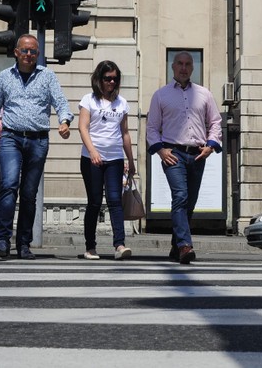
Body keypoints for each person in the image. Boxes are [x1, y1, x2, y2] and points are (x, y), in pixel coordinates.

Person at [0, 35, 73, 260]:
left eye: (33, 51)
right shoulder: (4, 77)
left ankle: (24, 243)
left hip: (38, 140)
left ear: (38, 54)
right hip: (11, 138)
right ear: (16, 52)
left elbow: (60, 102)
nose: (29, 55)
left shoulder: (47, 76)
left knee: (29, 194)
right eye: (25, 51)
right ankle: (2, 240)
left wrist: (64, 122)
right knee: (9, 186)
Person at [146, 52, 222, 264]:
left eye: (188, 64)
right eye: (179, 63)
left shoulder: (204, 94)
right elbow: (152, 128)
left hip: (198, 154)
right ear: (172, 66)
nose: (184, 68)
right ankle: (185, 246)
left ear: (192, 68)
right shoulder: (160, 95)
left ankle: (176, 246)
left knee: (190, 202)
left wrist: (211, 146)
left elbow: (215, 122)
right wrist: (161, 151)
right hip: (173, 154)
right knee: (180, 196)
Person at [78, 61, 136, 260]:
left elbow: (125, 133)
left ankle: (119, 245)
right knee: (94, 202)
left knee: (115, 201)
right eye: (107, 78)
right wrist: (92, 150)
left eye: (115, 78)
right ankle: (90, 247)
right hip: (91, 159)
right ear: (99, 79)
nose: (111, 82)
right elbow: (83, 127)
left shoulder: (122, 103)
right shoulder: (89, 100)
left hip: (115, 159)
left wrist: (131, 159)